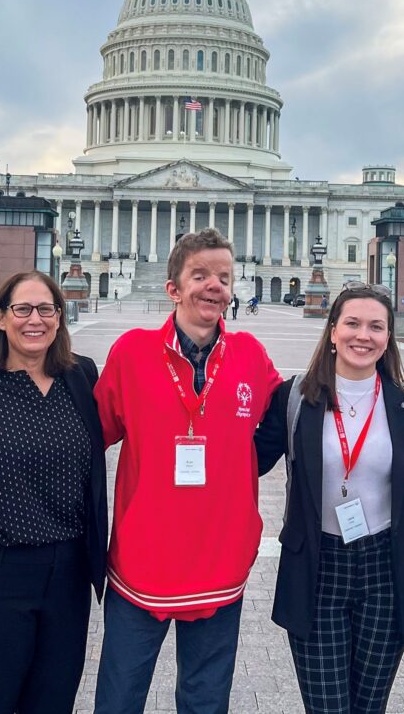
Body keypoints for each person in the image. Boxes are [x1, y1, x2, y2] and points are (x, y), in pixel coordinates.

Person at [255, 283, 404, 713]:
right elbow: (250, 461)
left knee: (368, 708)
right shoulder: (295, 397)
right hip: (318, 566)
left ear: (388, 337)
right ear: (333, 331)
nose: (363, 335)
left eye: (376, 326)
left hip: (384, 570)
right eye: (352, 323)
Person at [93, 228, 281, 713]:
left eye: (223, 276)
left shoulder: (251, 357)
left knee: (205, 699)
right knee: (119, 696)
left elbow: (293, 420)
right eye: (200, 275)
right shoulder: (132, 353)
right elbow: (88, 439)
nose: (214, 285)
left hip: (220, 556)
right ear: (172, 287)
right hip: (143, 556)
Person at [0, 271, 107, 714]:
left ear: (59, 318)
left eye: (46, 309)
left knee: (53, 701)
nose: (36, 320)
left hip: (67, 572)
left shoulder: (81, 377)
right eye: (23, 309)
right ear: (1, 318)